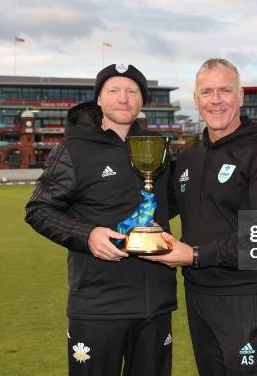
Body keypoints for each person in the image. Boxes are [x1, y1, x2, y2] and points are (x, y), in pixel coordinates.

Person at [143, 58, 257, 375]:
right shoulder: (187, 159)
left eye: (225, 90)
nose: (216, 100)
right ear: (196, 99)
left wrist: (195, 254)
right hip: (199, 294)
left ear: (240, 95)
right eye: (207, 92)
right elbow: (155, 212)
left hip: (248, 295)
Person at [25, 64, 176, 376]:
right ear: (98, 99)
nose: (124, 98)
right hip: (98, 305)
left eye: (132, 91)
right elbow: (38, 209)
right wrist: (87, 234)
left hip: (155, 304)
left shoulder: (158, 148)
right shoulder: (73, 149)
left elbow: (168, 204)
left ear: (142, 100)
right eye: (114, 90)